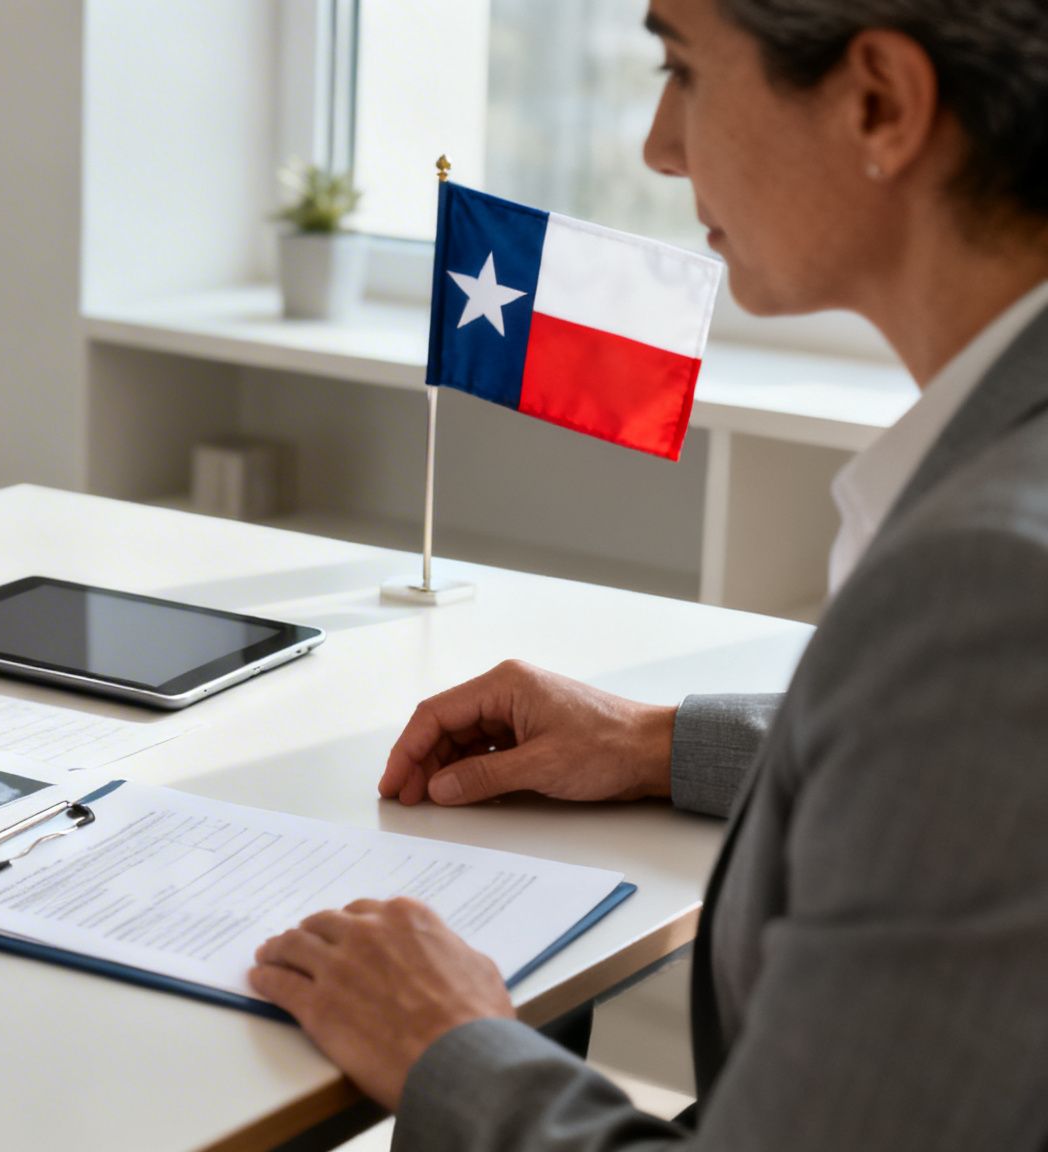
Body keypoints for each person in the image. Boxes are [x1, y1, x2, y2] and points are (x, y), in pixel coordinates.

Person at [248, 0, 1048, 1146]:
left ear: (877, 102)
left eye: (681, 69)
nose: (657, 146)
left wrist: (449, 1047)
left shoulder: (986, 591)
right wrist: (651, 742)